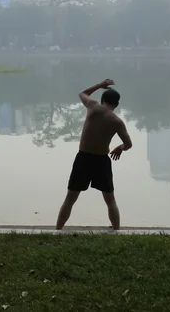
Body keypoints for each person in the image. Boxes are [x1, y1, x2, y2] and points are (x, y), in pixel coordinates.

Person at [55, 79, 132, 231]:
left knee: (70, 198)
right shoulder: (117, 121)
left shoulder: (93, 107)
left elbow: (82, 93)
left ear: (102, 100)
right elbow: (129, 144)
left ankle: (57, 230)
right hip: (101, 161)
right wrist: (120, 148)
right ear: (116, 105)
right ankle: (117, 231)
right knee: (110, 200)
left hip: (83, 158)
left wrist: (99, 85)